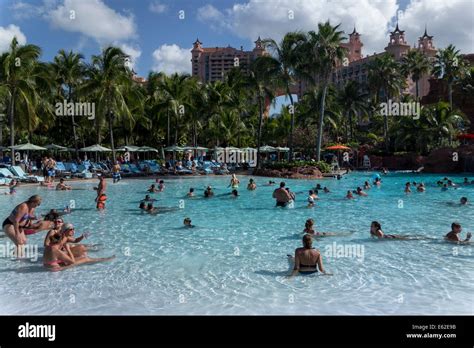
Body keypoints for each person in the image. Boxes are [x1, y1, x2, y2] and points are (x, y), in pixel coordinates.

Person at [43, 232, 114, 272]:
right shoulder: (57, 251)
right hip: (55, 269)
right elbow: (72, 262)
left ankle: (102, 259)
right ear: (61, 241)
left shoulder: (48, 247)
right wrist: (68, 249)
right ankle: (105, 259)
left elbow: (54, 257)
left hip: (47, 266)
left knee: (80, 256)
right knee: (85, 259)